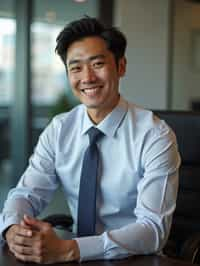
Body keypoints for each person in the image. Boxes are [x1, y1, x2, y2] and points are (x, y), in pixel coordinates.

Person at [0, 16, 180, 264]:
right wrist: (12, 230)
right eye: (75, 68)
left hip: (133, 259)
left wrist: (70, 249)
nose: (87, 77)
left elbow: (152, 230)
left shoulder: (155, 137)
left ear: (121, 66)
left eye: (97, 64)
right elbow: (26, 193)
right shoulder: (60, 129)